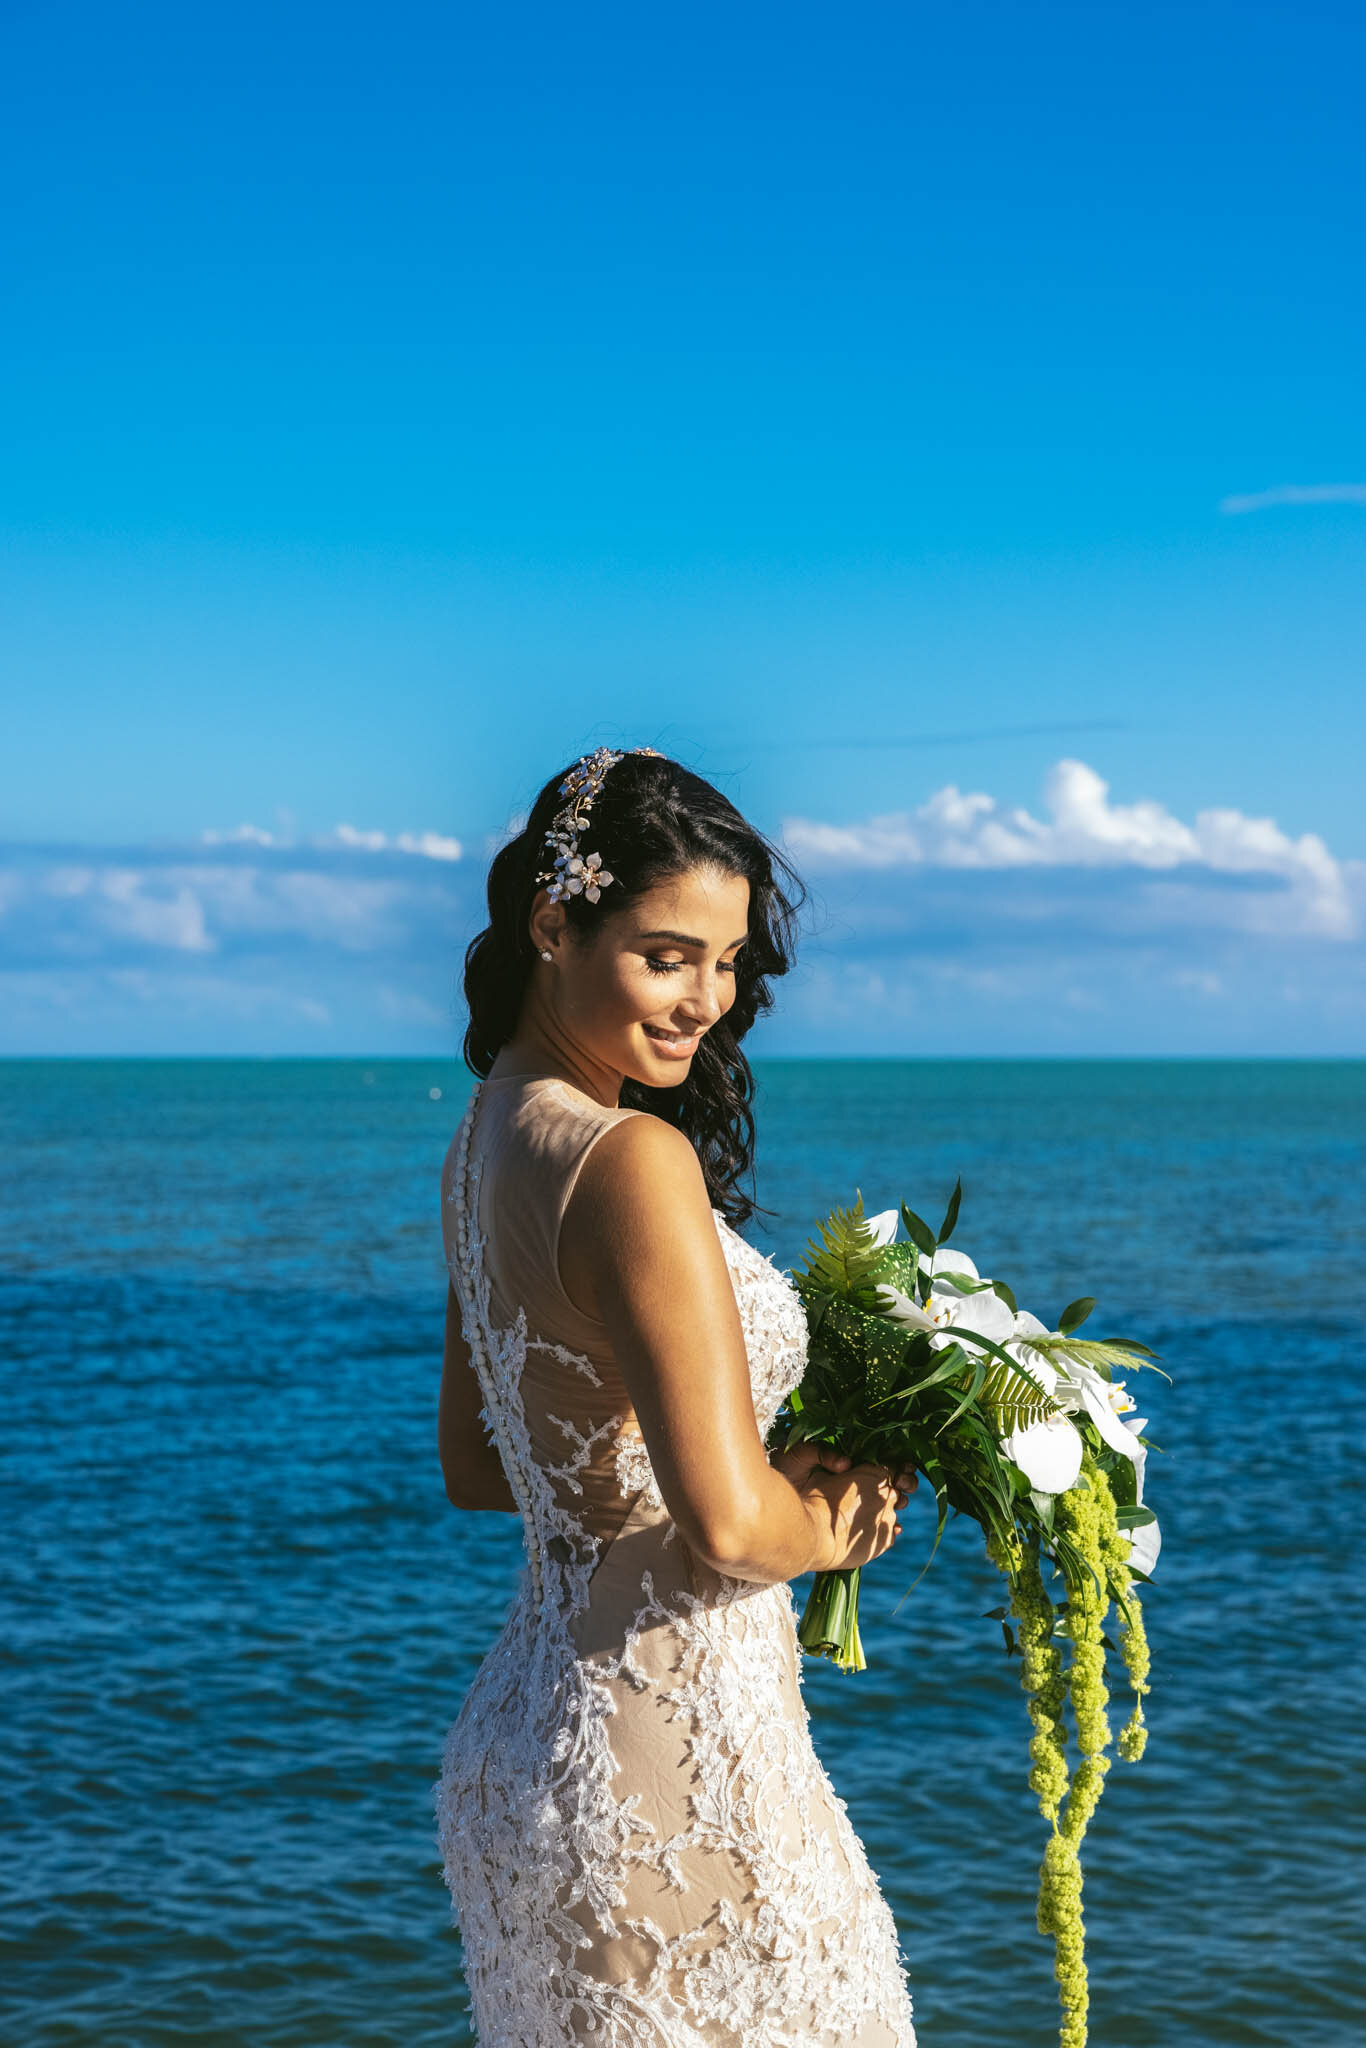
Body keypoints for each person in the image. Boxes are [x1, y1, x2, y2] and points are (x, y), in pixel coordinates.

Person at [435, 746, 918, 2046]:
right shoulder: (631, 1158)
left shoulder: (482, 1133)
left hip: (523, 1752)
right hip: (676, 1758)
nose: (705, 998)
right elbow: (729, 1531)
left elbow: (481, 1467)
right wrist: (854, 1508)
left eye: (727, 962)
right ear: (554, 926)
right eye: (666, 954)